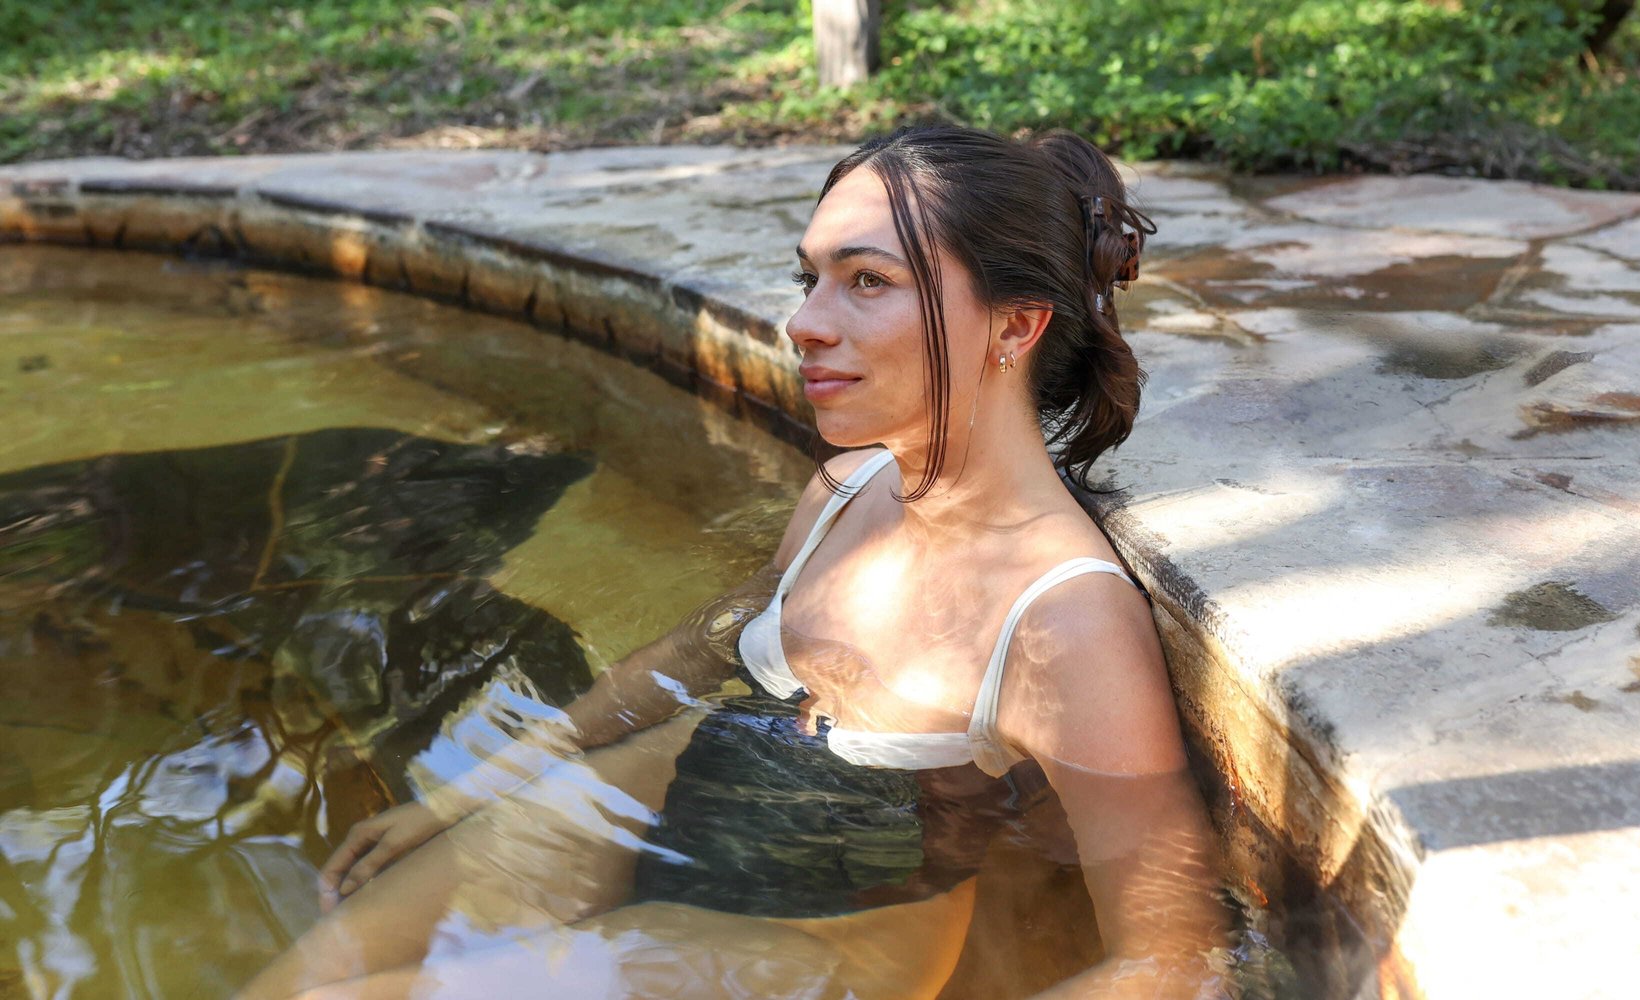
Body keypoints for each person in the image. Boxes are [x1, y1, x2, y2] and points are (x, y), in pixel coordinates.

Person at [239, 124, 1231, 1000]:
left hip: (806, 943)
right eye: (812, 277)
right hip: (682, 791)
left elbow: (1177, 959)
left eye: (868, 281)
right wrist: (478, 786)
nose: (804, 321)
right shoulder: (846, 490)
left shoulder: (1060, 618)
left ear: (1014, 325)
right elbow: (705, 644)